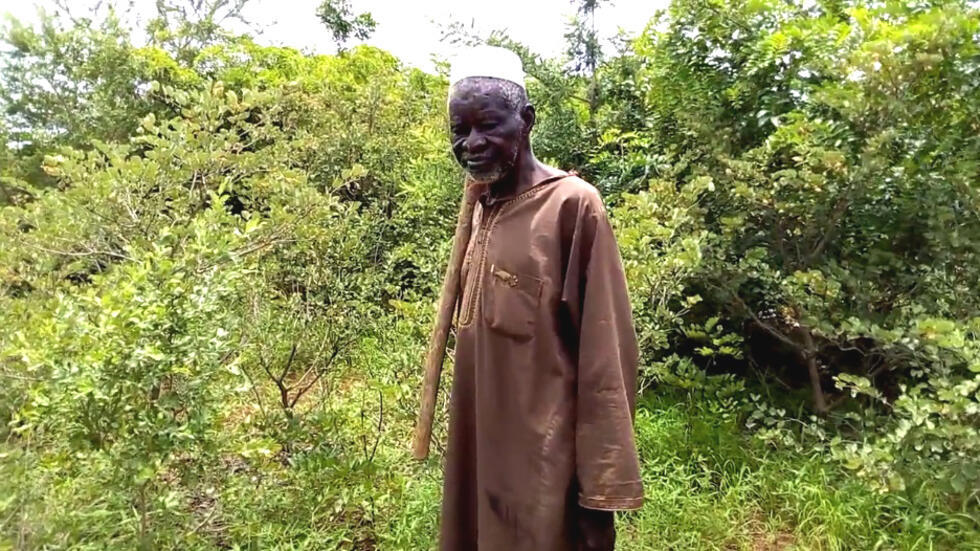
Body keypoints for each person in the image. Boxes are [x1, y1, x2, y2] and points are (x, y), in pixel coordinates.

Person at [439, 46, 644, 551]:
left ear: (525, 121)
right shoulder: (481, 205)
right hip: (476, 463)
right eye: (459, 130)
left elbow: (607, 363)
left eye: (487, 124)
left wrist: (601, 496)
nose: (472, 143)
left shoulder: (572, 206)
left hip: (543, 480)